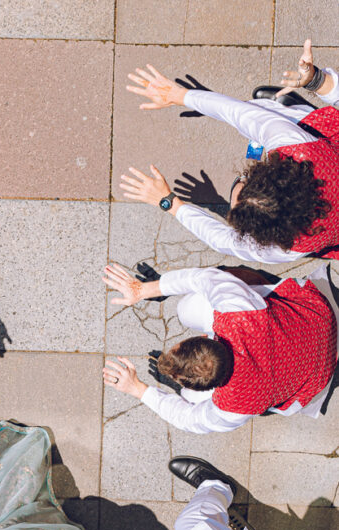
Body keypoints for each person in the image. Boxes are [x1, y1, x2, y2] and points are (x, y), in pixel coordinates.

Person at [121, 44, 339, 262]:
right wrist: (170, 203)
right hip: (324, 143)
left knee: (262, 120)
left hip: (322, 148)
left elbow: (240, 113)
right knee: (262, 118)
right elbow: (238, 113)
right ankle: (287, 114)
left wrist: (181, 96)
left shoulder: (299, 152)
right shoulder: (298, 148)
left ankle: (285, 115)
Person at [102, 262, 338, 432]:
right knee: (188, 307)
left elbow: (188, 419)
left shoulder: (234, 407)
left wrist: (138, 389)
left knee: (189, 399)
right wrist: (145, 290)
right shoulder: (239, 315)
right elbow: (205, 278)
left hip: (320, 369)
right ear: (205, 339)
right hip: (317, 316)